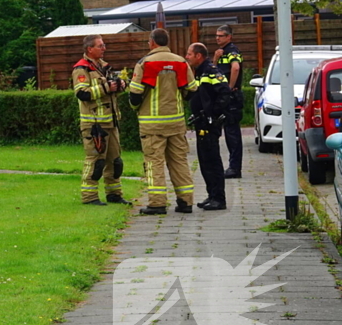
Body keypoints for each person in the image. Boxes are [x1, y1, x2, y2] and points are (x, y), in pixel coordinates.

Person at [129, 28, 199, 215]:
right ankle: (186, 202)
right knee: (179, 161)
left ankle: (157, 203)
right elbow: (192, 89)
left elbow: (135, 94)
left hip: (152, 125)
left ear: (152, 42)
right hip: (176, 123)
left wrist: (137, 108)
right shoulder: (181, 62)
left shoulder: (145, 63)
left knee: (154, 163)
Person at [72, 34, 130, 206]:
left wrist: (120, 86)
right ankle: (89, 197)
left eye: (104, 45)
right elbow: (82, 93)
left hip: (111, 122)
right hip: (94, 124)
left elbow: (111, 89)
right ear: (90, 49)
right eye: (100, 45)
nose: (104, 48)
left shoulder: (105, 67)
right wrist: (106, 87)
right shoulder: (81, 69)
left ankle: (114, 194)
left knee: (115, 161)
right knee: (96, 161)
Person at [185, 43, 230, 211]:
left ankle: (219, 198)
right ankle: (211, 195)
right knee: (204, 161)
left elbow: (224, 92)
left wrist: (213, 114)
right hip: (201, 123)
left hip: (210, 124)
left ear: (198, 55)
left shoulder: (211, 70)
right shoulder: (199, 71)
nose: (187, 56)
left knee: (212, 161)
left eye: (189, 54)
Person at [213, 24, 244, 178]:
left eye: (221, 35)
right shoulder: (222, 52)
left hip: (231, 97)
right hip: (224, 98)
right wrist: (216, 58)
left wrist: (230, 88)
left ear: (229, 37)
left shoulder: (232, 50)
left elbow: (236, 68)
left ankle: (235, 168)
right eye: (216, 35)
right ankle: (232, 166)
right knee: (228, 132)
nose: (217, 38)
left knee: (232, 134)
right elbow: (214, 70)